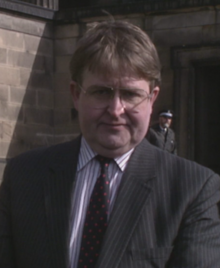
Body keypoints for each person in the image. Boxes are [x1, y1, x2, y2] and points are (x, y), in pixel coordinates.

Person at [0, 20, 220, 268]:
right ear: (75, 94)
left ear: (151, 99)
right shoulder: (24, 176)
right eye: (102, 92)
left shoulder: (192, 189)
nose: (116, 110)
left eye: (130, 94)